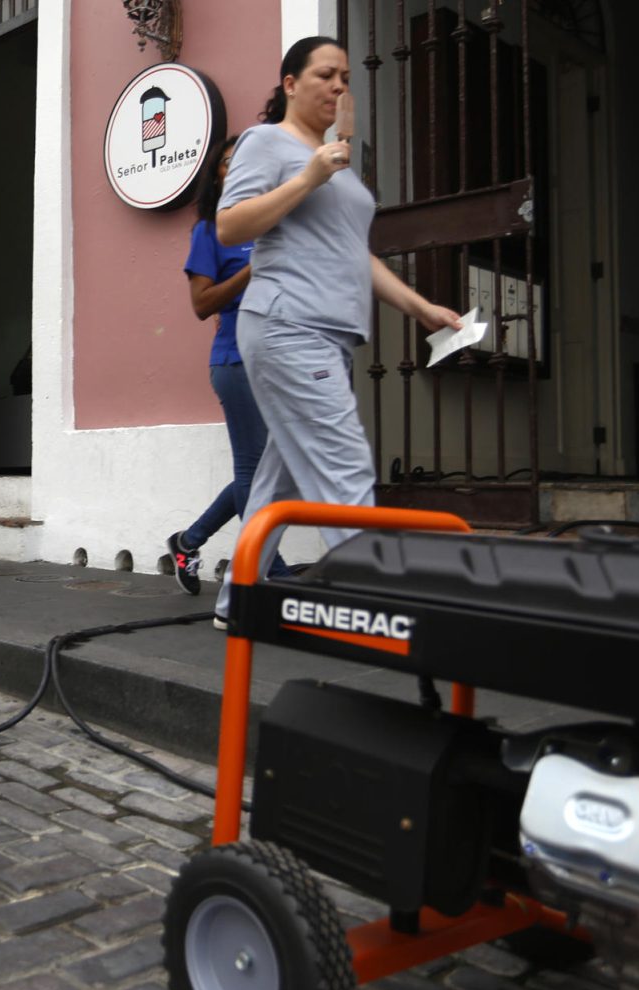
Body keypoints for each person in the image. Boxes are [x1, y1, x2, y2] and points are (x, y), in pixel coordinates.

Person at [211, 35, 462, 627]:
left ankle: (235, 603)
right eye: (325, 74)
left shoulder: (338, 162)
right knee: (345, 461)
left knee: (282, 476)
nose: (339, 86)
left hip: (327, 332)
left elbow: (355, 254)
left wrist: (421, 307)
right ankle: (376, 607)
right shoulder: (266, 142)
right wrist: (307, 178)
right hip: (287, 323)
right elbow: (229, 226)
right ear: (291, 84)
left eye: (345, 77)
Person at [165, 135, 271, 595]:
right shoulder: (208, 229)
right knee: (253, 468)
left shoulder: (269, 224)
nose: (242, 167)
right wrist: (253, 269)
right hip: (235, 361)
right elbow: (201, 304)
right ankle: (270, 567)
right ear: (220, 174)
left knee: (266, 467)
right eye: (232, 161)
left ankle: (189, 540)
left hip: (276, 362)